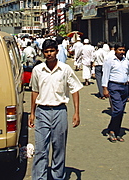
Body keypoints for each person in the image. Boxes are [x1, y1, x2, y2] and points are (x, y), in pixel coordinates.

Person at [28, 39, 83, 180]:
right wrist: (32, 113)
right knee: (41, 149)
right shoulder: (37, 70)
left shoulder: (65, 69)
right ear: (43, 53)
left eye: (52, 51)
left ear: (57, 52)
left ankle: (58, 176)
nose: (49, 54)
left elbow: (75, 89)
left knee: (59, 147)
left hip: (60, 112)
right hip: (42, 112)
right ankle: (39, 177)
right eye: (46, 51)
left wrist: (76, 112)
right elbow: (34, 91)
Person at [102, 41, 129, 142]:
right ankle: (111, 130)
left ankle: (115, 131)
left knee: (121, 111)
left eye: (123, 50)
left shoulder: (126, 61)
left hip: (125, 87)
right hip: (114, 86)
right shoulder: (110, 60)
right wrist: (105, 88)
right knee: (118, 109)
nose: (122, 52)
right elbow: (106, 74)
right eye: (120, 50)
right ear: (115, 50)